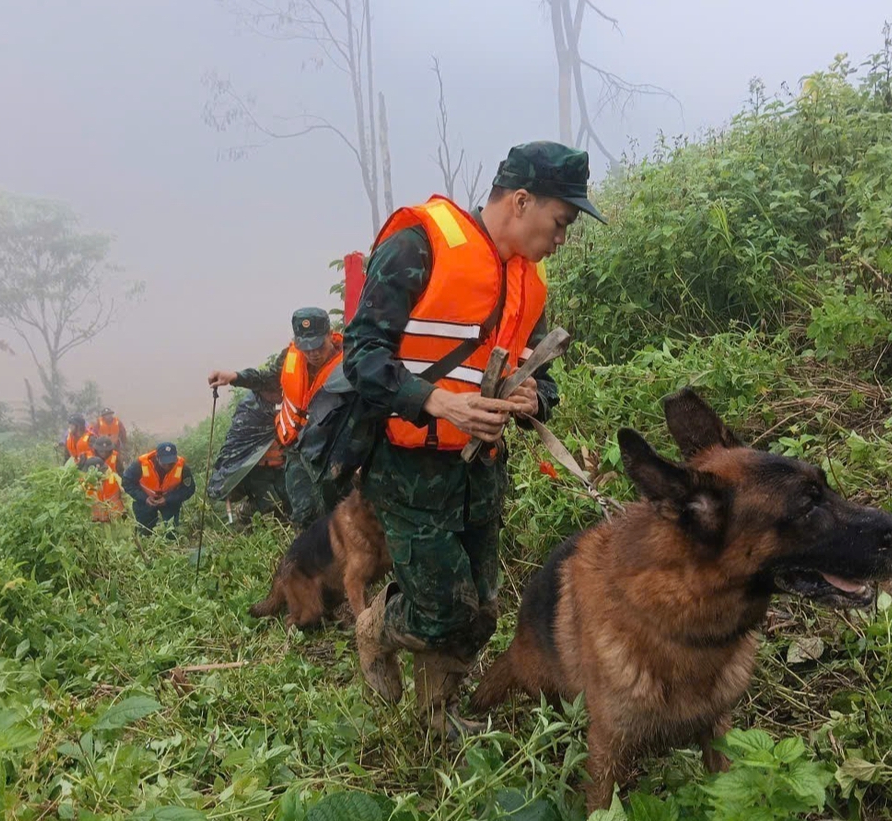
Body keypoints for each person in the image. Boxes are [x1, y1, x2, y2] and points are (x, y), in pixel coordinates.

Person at [344, 141, 607, 737]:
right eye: (560, 222)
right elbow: (360, 357)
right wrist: (436, 401)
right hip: (410, 468)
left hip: (481, 470)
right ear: (521, 200)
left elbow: (541, 375)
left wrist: (532, 397)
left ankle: (436, 715)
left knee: (482, 612)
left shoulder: (527, 285)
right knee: (442, 613)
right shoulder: (419, 245)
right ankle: (375, 628)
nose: (562, 238)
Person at [207, 307, 343, 524]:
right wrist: (233, 377)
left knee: (337, 511)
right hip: (298, 449)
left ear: (329, 334)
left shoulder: (349, 362)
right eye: (306, 348)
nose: (313, 353)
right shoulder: (290, 357)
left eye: (318, 345)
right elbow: (269, 379)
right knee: (304, 513)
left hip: (332, 449)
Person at [121, 442, 196, 539]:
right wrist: (144, 498)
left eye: (171, 463)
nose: (168, 466)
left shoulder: (182, 467)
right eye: (165, 463)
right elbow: (127, 482)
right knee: (144, 533)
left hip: (170, 502)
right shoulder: (140, 464)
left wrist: (168, 499)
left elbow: (189, 489)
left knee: (171, 533)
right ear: (157, 457)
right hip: (145, 501)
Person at [80, 456, 124, 522]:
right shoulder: (83, 483)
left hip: (116, 521)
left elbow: (126, 498)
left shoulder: (116, 479)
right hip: (93, 523)